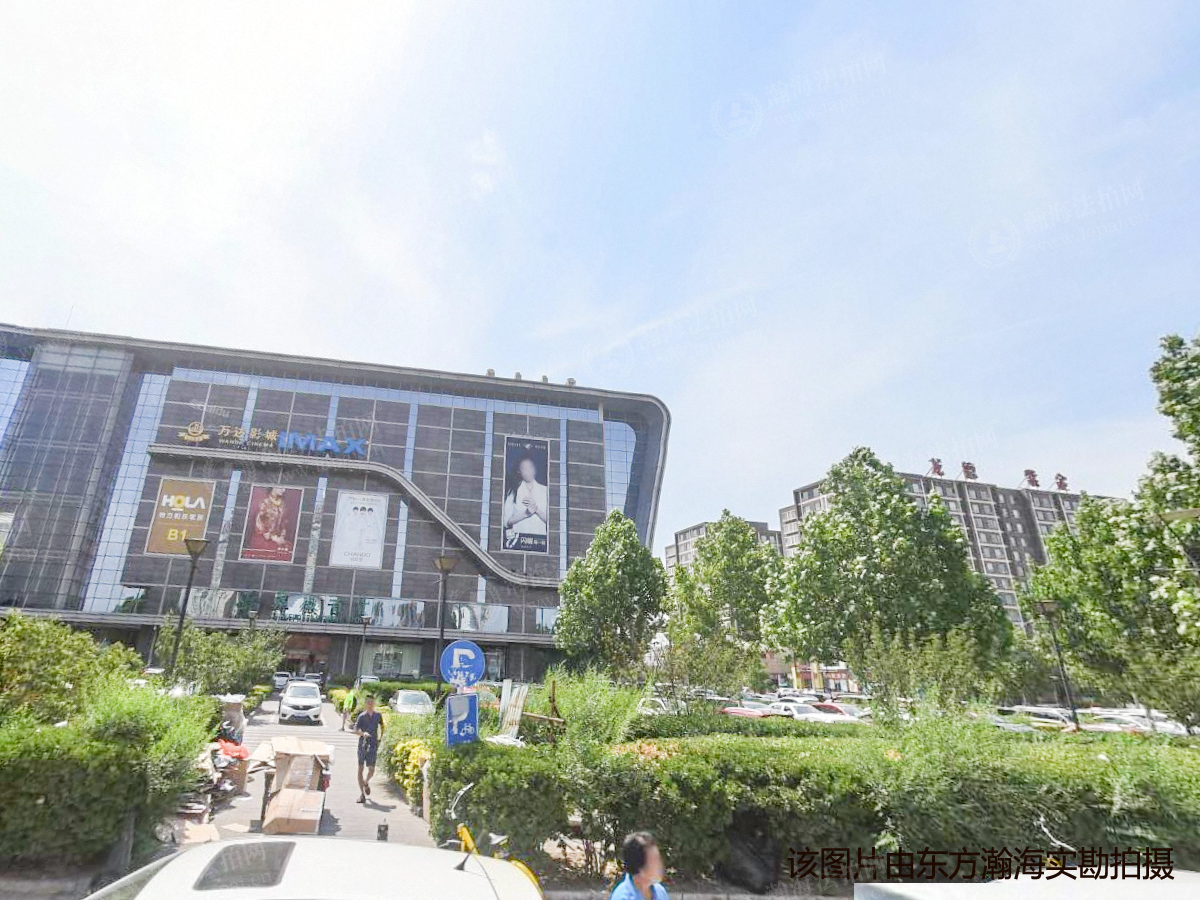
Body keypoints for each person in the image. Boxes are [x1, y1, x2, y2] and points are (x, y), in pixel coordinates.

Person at [502, 452, 548, 550]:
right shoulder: (513, 491)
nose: (528, 471)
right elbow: (506, 521)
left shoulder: (545, 491)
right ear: (519, 471)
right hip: (518, 540)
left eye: (530, 467)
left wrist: (536, 510)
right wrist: (526, 514)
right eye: (524, 468)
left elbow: (552, 522)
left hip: (540, 540)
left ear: (535, 469)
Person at [610, 832, 668, 900]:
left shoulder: (660, 892)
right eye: (655, 860)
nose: (660, 864)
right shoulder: (622, 897)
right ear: (640, 867)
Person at [353, 695, 384, 804]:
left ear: (374, 703)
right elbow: (355, 730)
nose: (370, 704)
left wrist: (380, 738)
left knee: (371, 770)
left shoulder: (378, 715)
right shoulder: (362, 716)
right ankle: (362, 794)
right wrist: (363, 733)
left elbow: (382, 727)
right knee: (360, 768)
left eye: (372, 702)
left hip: (373, 745)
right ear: (366, 704)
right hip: (363, 745)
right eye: (368, 703)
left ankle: (366, 782)